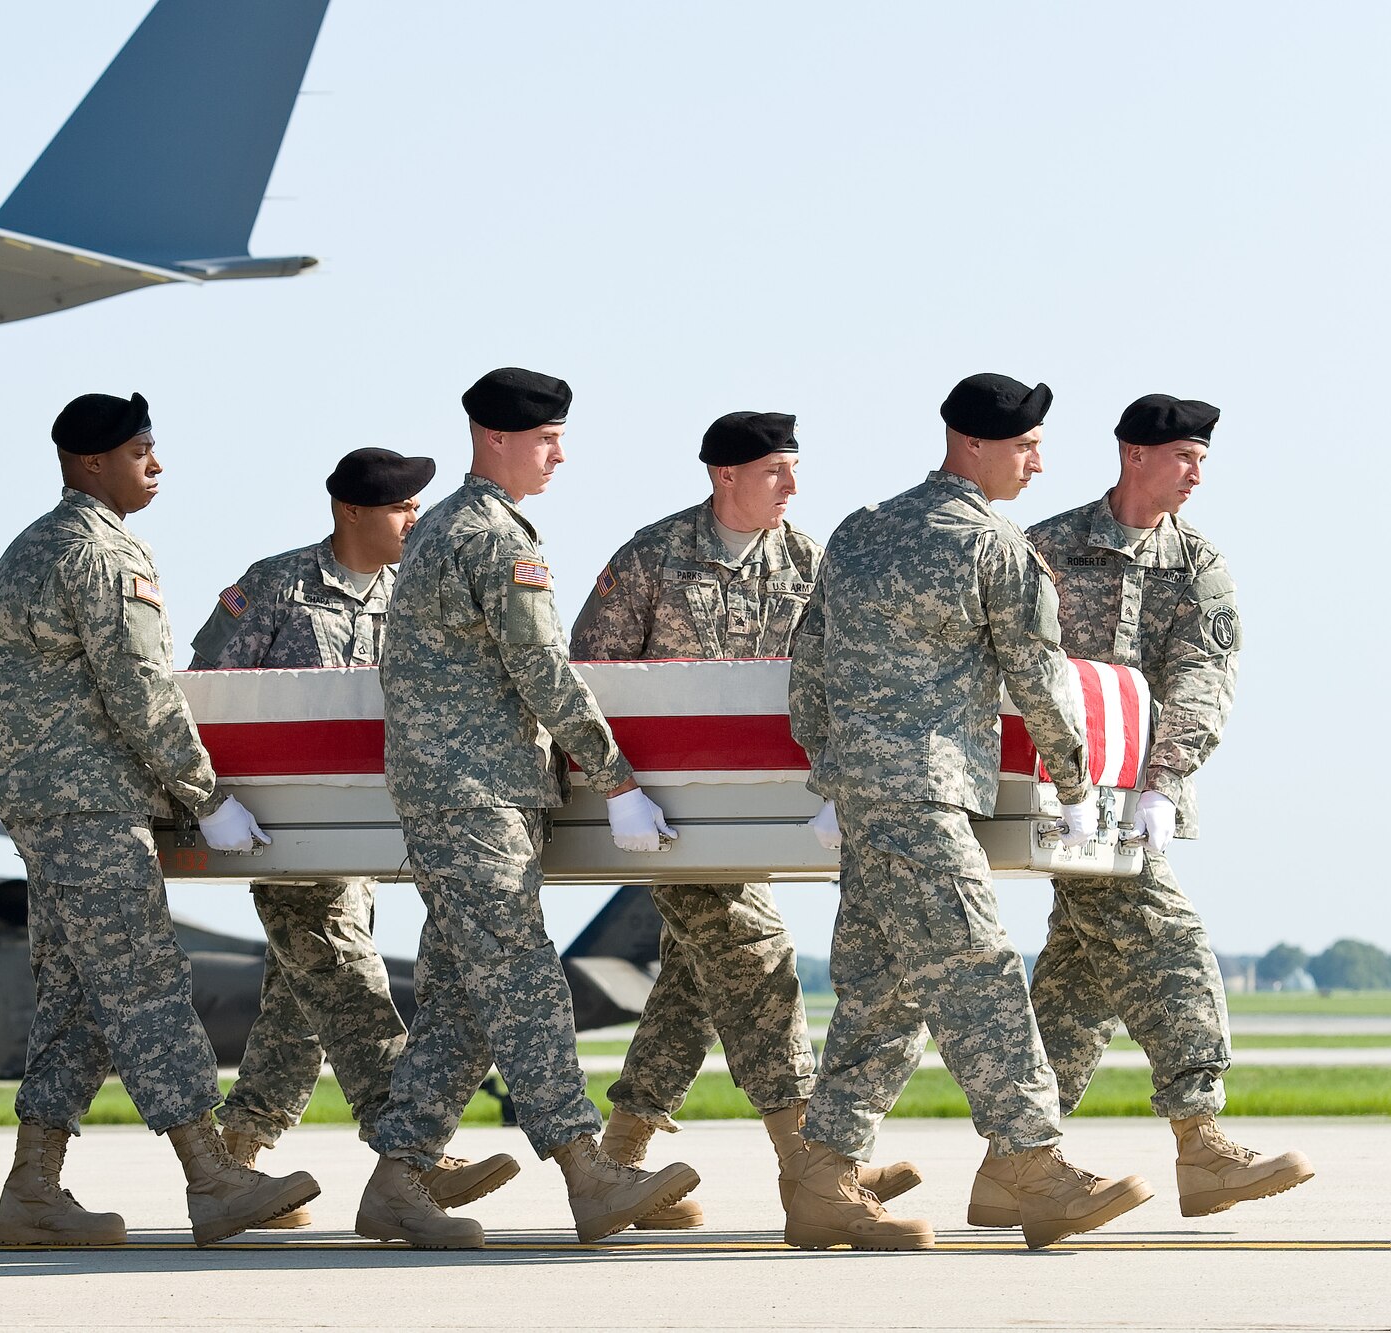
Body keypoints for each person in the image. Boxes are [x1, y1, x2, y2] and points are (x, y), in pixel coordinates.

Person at [785, 373, 1152, 1251]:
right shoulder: (993, 545)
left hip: (868, 795)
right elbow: (1041, 679)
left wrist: (838, 766)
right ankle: (1032, 1161)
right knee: (979, 967)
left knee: (882, 993)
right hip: (927, 791)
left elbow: (807, 670)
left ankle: (823, 1177)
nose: (1037, 460)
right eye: (1025, 444)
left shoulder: (861, 531)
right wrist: (1074, 784)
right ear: (973, 444)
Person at [354, 367, 699, 1249]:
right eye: (545, 437)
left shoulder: (441, 530)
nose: (559, 452)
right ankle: (589, 1173)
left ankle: (398, 1178)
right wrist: (617, 775)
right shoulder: (493, 538)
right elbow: (543, 666)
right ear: (495, 439)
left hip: (458, 791)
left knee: (468, 1001)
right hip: (473, 796)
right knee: (521, 976)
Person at [0, 392, 317, 1247]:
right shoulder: (95, 550)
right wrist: (207, 796)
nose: (155, 466)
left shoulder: (49, 542)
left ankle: (33, 1189)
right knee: (145, 978)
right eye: (139, 452)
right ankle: (210, 1173)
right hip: (83, 798)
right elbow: (141, 686)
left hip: (56, 793)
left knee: (80, 994)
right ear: (92, 464)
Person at [571, 411, 919, 1223]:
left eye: (795, 470)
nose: (793, 487)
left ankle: (620, 1165)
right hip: (665, 815)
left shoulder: (811, 563)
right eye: (775, 472)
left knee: (697, 978)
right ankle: (807, 1163)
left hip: (759, 816)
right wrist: (615, 788)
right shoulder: (652, 557)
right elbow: (590, 678)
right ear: (725, 476)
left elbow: (855, 672)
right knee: (755, 951)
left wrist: (842, 781)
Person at [188, 447, 519, 1225]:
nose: (415, 520)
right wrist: (212, 803)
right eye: (403, 508)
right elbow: (204, 692)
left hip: (375, 835)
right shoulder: (276, 586)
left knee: (303, 999)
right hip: (282, 836)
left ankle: (237, 1164)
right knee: (342, 971)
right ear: (352, 512)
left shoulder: (417, 593)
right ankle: (413, 1150)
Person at [1016, 394, 1312, 1222]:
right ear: (1133, 454)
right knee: (1167, 940)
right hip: (1048, 792)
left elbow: (1202, 678)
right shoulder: (1045, 547)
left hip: (1129, 802)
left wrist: (1164, 781)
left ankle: (1017, 1160)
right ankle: (1201, 1144)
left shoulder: (1199, 565)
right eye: (1183, 456)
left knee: (1078, 978)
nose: (1195, 473)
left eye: (1202, 460)